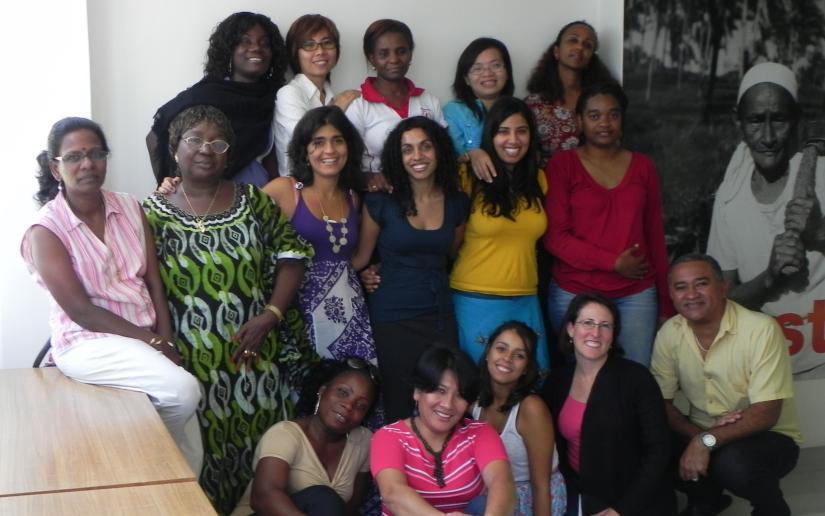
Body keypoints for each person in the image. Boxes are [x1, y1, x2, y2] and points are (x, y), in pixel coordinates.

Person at [143, 105, 315, 514]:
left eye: (217, 142)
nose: (206, 149)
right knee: (197, 471)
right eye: (195, 140)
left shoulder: (253, 202)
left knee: (263, 474)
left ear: (229, 154)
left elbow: (293, 256)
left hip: (255, 369)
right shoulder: (151, 215)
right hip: (191, 371)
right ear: (175, 148)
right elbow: (140, 287)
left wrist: (270, 315)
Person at [21, 117, 202, 471]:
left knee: (193, 454)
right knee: (183, 392)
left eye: (95, 154)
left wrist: (164, 339)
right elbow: (79, 310)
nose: (87, 164)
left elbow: (153, 281)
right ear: (55, 169)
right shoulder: (46, 230)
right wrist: (153, 344)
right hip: (88, 342)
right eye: (73, 157)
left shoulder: (130, 207)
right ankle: (147, 458)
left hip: (144, 336)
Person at [651, 254, 802, 516]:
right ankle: (706, 500)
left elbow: (767, 413)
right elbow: (661, 403)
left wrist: (707, 441)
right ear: (672, 295)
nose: (691, 294)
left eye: (701, 283)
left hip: (766, 436)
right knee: (650, 447)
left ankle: (772, 508)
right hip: (699, 428)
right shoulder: (669, 333)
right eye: (680, 287)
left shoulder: (760, 329)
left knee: (733, 464)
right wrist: (698, 437)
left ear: (723, 288)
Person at [707, 62, 825, 378]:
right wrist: (770, 278)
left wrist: (819, 232)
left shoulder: (822, 176)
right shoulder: (729, 199)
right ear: (739, 122)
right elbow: (721, 301)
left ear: (797, 119)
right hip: (766, 365)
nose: (769, 137)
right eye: (757, 121)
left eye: (780, 120)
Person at [544, 82, 672, 367]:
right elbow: (556, 238)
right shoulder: (562, 166)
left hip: (635, 294)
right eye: (594, 115)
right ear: (579, 120)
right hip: (574, 292)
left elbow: (655, 237)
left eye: (613, 115)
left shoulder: (643, 167)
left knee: (635, 379)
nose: (604, 123)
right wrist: (613, 262)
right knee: (577, 382)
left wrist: (665, 304)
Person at [351, 116, 469, 423]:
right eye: (407, 150)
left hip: (440, 314)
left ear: (439, 150)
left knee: (441, 398)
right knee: (399, 402)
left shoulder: (457, 202)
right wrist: (361, 279)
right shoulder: (380, 202)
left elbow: (450, 256)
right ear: (397, 156)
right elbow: (361, 258)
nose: (417, 157)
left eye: (425, 147)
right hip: (393, 317)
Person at [262, 106, 377, 366]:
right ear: (304, 149)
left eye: (338, 141)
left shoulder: (352, 197)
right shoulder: (285, 190)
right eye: (318, 142)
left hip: (349, 314)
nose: (329, 151)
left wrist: (371, 271)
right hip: (295, 312)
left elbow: (351, 261)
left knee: (350, 388)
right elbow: (242, 223)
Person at [542, 294, 675, 516]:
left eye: (605, 326)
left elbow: (659, 451)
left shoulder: (637, 378)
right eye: (588, 323)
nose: (596, 333)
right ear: (570, 329)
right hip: (583, 497)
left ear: (613, 336)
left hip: (636, 501)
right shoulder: (558, 381)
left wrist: (620, 511)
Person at [450, 97, 550, 372]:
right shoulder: (468, 176)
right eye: (503, 131)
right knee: (477, 386)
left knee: (527, 386)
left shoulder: (539, 180)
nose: (513, 139)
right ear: (490, 135)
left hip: (526, 299)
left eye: (521, 131)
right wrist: (470, 154)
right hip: (475, 299)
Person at [147, 12, 287, 187]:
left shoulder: (276, 97)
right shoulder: (206, 94)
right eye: (245, 41)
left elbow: (272, 158)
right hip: (208, 201)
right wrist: (167, 184)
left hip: (258, 198)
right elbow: (154, 135)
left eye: (265, 43)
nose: (256, 47)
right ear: (230, 48)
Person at [371, 346, 515, 515]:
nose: (448, 404)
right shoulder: (388, 436)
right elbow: (392, 493)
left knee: (483, 504)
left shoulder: (480, 433)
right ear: (417, 391)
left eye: (460, 395)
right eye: (440, 390)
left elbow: (502, 483)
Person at [231, 357, 379, 516]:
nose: (348, 406)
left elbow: (348, 509)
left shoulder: (364, 442)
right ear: (322, 391)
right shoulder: (285, 434)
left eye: (360, 406)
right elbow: (263, 498)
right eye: (342, 392)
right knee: (323, 498)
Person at [472, 321, 566, 516]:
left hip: (534, 499)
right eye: (501, 349)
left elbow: (541, 485)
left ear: (526, 368)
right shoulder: (474, 402)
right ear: (488, 352)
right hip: (495, 493)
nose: (507, 359)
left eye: (519, 355)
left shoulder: (531, 408)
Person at [346, 18, 446, 193]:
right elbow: (346, 161)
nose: (394, 59)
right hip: (380, 195)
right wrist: (368, 177)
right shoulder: (358, 104)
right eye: (384, 53)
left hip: (428, 194)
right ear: (372, 58)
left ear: (410, 54)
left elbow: (445, 150)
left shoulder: (428, 101)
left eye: (401, 51)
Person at [275, 14, 361, 176]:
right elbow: (309, 141)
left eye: (327, 43)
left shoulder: (330, 95)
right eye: (309, 45)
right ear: (295, 53)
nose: (320, 51)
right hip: (299, 190)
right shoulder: (289, 93)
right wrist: (337, 109)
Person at [525, 20, 616, 168]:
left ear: (591, 57)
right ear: (556, 52)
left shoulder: (601, 102)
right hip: (546, 186)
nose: (580, 47)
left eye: (587, 45)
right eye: (573, 40)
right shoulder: (533, 105)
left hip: (591, 185)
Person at [443, 37, 515, 183]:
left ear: (507, 72)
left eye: (496, 65)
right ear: (466, 79)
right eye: (477, 68)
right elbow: (449, 157)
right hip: (467, 187)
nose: (487, 73)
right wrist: (472, 154)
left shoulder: (518, 110)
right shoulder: (453, 111)